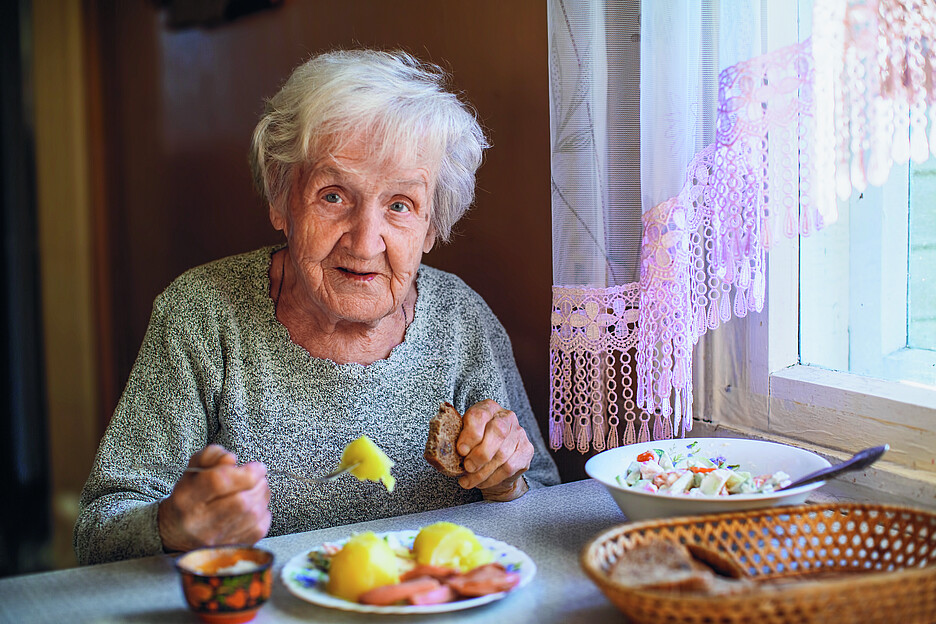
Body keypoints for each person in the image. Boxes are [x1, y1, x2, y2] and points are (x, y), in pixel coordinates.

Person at [74, 49, 561, 565]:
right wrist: (172, 525)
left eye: (400, 205)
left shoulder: (462, 319)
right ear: (281, 199)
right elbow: (97, 533)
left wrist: (506, 482)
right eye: (334, 196)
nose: (365, 240)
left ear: (431, 226)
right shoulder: (202, 315)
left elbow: (544, 504)